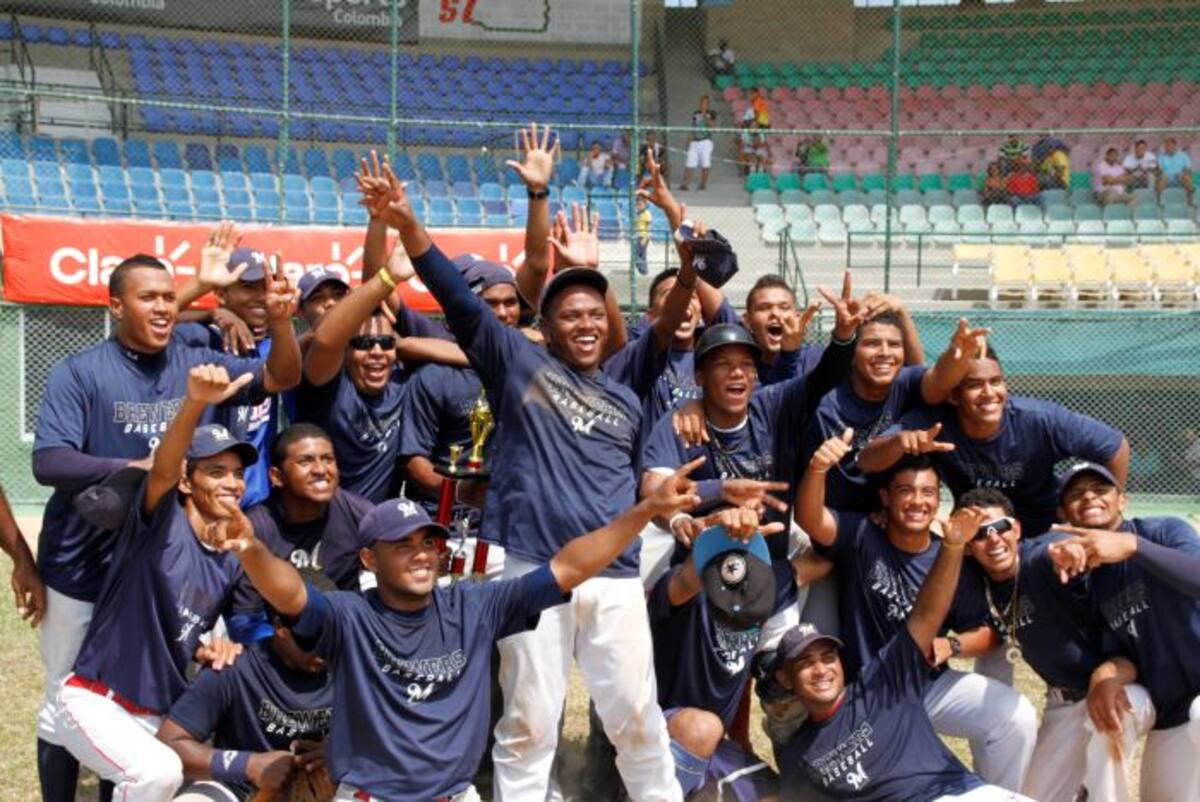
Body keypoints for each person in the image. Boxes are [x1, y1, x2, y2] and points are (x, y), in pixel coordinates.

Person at [371, 152, 690, 801]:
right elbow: (457, 300)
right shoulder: (516, 364)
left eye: (595, 314)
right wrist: (408, 226)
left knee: (636, 720)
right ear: (545, 325)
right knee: (530, 720)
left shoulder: (628, 386)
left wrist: (681, 243)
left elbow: (672, 316)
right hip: (530, 570)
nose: (585, 323)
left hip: (616, 576)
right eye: (569, 314)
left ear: (610, 325)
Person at [213, 457, 704, 800]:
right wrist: (253, 550)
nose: (422, 554)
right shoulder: (349, 617)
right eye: (402, 545)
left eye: (429, 542)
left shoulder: (474, 605)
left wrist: (643, 512)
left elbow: (568, 568)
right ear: (369, 558)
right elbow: (291, 595)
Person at [30, 246, 299, 802]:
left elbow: (280, 374)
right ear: (114, 306)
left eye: (167, 296)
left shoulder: (195, 360)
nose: (162, 307)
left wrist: (279, 319)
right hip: (84, 560)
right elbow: (49, 461)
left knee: (135, 711)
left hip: (161, 561)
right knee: (65, 704)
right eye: (147, 297)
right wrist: (139, 467)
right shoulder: (81, 371)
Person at [54, 365, 271, 801]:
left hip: (156, 717)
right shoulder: (162, 522)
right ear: (189, 482)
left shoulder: (231, 557)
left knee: (209, 793)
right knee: (157, 775)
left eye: (236, 473)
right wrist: (195, 402)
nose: (231, 482)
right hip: (97, 702)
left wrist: (222, 645)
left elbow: (222, 627)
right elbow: (164, 468)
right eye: (216, 471)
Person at [796, 442, 1037, 791]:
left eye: (928, 492)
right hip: (868, 694)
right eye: (905, 491)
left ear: (938, 500)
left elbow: (990, 631)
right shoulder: (864, 535)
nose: (917, 501)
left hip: (928, 685)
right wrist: (818, 468)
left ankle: (995, 795)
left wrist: (952, 644)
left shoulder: (951, 559)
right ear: (885, 498)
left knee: (1016, 717)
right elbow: (811, 519)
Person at [642, 274, 866, 649]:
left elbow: (824, 376)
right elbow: (655, 488)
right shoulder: (682, 423)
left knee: (780, 681)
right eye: (722, 364)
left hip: (770, 571)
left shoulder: (773, 405)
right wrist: (687, 512)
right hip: (701, 574)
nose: (736, 373)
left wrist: (844, 335)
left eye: (746, 365)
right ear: (699, 376)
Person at [958, 486, 1154, 802]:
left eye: (1000, 528)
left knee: (1110, 732)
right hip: (1064, 704)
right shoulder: (980, 585)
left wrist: (1071, 552)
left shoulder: (1039, 559)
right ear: (967, 546)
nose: (993, 539)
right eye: (980, 535)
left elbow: (1056, 551)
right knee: (1033, 796)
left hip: (1115, 685)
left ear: (1016, 528)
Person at [857, 345, 1130, 537]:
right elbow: (867, 459)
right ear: (953, 396)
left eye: (996, 381)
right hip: (980, 533)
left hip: (1045, 530)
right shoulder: (936, 424)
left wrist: (1111, 521)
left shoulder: (1040, 419)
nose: (989, 393)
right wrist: (900, 443)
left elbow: (1116, 448)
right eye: (975, 385)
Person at [1049, 462, 1200, 802]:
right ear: (1065, 513)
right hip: (1172, 710)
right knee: (1109, 712)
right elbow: (1123, 651)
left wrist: (1134, 546)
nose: (1088, 496)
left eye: (1100, 489)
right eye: (1075, 493)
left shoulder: (1162, 532)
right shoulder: (1089, 583)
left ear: (1122, 501)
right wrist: (1106, 674)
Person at [649, 509, 790, 798]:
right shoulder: (682, 589)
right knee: (702, 728)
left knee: (776, 793)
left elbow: (739, 681)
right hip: (659, 736)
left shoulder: (752, 604)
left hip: (708, 749)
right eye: (728, 553)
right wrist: (717, 537)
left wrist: (742, 741)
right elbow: (686, 581)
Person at [157, 575, 336, 802]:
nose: (326, 645)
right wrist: (247, 765)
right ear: (280, 627)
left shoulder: (353, 670)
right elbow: (168, 743)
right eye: (314, 635)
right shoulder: (233, 667)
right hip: (236, 788)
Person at [802, 316, 983, 515]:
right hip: (831, 517)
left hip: (890, 514)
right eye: (872, 344)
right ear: (851, 355)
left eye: (894, 344)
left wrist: (959, 355)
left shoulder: (906, 382)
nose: (885, 352)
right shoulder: (826, 401)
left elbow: (939, 380)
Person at [176, 231, 303, 508]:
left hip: (257, 499)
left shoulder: (278, 344)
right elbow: (151, 322)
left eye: (264, 286)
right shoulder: (199, 338)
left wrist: (282, 320)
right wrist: (208, 313)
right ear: (221, 292)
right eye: (248, 287)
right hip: (201, 497)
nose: (260, 296)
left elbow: (287, 375)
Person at [228, 424, 374, 645]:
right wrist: (286, 650)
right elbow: (244, 618)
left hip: (346, 635)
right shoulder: (254, 528)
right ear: (277, 476)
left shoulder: (359, 513)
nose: (320, 469)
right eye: (305, 461)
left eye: (327, 459)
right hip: (278, 642)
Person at [680, 95, 717, 192]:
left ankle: (703, 184)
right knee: (690, 162)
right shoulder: (696, 113)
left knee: (705, 163)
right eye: (702, 103)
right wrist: (689, 140)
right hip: (695, 140)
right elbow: (693, 127)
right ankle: (685, 184)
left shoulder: (711, 114)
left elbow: (713, 128)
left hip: (706, 140)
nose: (703, 105)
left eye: (705, 103)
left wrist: (705, 117)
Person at [1156, 136, 1194, 201]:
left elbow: (1188, 169)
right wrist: (1160, 173)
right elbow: (1159, 171)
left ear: (1174, 145)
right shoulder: (1161, 157)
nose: (1167, 147)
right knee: (1163, 178)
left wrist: (1184, 174)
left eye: (1169, 145)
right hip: (1166, 179)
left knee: (1182, 176)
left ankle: (1190, 200)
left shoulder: (1183, 155)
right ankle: (1159, 202)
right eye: (1166, 145)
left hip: (1179, 178)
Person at [634, 194, 652, 276]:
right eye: (637, 204)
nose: (639, 206)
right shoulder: (638, 213)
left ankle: (642, 270)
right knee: (642, 254)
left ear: (645, 205)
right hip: (638, 236)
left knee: (637, 254)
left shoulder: (647, 213)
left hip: (643, 236)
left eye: (640, 204)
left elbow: (649, 227)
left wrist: (646, 238)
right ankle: (644, 271)